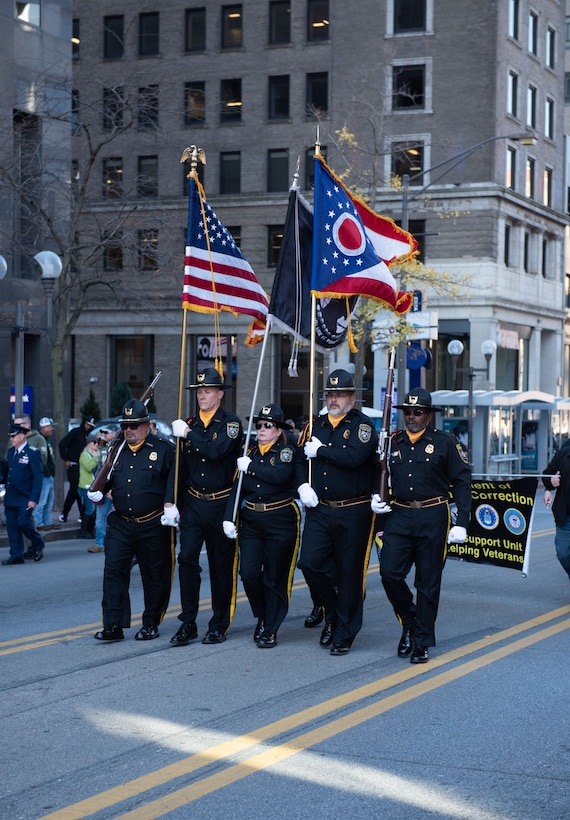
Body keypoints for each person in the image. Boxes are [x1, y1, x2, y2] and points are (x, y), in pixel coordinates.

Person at [374, 387, 472, 665]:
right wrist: (376, 499)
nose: (412, 417)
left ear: (429, 415)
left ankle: (422, 641)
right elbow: (378, 474)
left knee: (427, 583)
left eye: (418, 412)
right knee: (389, 573)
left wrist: (461, 522)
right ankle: (411, 620)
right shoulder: (392, 442)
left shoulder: (445, 442)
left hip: (433, 515)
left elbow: (463, 482)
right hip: (400, 514)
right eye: (408, 412)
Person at [296, 369, 378, 656]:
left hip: (353, 510)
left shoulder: (362, 426)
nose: (334, 399)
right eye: (330, 394)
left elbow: (355, 457)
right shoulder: (314, 425)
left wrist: (323, 451)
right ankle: (331, 612)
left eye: (340, 394)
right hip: (320, 509)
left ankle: (345, 632)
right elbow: (298, 461)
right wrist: (302, 485)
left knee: (349, 574)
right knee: (309, 563)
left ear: (352, 398)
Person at [89, 399, 178, 642]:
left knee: (155, 575)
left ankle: (151, 622)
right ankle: (113, 625)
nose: (129, 429)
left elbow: (175, 481)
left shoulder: (164, 449)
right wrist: (98, 489)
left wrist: (171, 505)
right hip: (121, 522)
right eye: (126, 425)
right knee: (113, 572)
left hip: (153, 523)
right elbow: (107, 479)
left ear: (147, 425)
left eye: (135, 425)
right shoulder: (116, 450)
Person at [170, 368, 243, 646]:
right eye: (199, 391)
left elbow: (215, 452)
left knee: (220, 566)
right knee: (186, 559)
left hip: (221, 504)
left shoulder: (230, 424)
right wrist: (171, 502)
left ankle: (218, 623)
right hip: (193, 503)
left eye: (207, 391)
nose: (202, 395)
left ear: (220, 394)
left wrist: (188, 434)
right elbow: (179, 468)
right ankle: (188, 621)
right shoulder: (189, 423)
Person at [223, 404, 300, 648]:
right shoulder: (251, 454)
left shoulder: (285, 452)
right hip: (252, 521)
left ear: (279, 431)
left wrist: (251, 468)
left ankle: (271, 626)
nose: (262, 429)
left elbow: (280, 476)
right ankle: (263, 615)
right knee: (249, 573)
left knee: (274, 577)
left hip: (279, 520)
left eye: (268, 425)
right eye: (259, 425)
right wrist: (229, 517)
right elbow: (237, 490)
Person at [2, 422, 45, 564]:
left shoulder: (33, 452)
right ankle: (16, 555)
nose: (12, 439)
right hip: (11, 496)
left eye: (14, 436)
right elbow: (9, 473)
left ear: (21, 436)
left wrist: (34, 498)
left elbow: (38, 478)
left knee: (23, 523)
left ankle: (38, 542)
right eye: (11, 436)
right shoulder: (10, 452)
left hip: (25, 496)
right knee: (12, 526)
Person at [58, 416, 96, 523]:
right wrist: (66, 459)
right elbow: (62, 444)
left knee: (79, 490)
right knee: (75, 488)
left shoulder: (87, 436)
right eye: (87, 424)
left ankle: (81, 514)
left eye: (91, 426)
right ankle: (65, 513)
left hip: (83, 466)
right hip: (73, 464)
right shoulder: (75, 432)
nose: (88, 427)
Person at [542, 447, 570, 582]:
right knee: (563, 553)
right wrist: (550, 483)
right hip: (566, 515)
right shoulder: (564, 452)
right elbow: (548, 474)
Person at [88, 428, 116, 554]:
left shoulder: (119, 446)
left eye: (107, 433)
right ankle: (100, 543)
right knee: (100, 517)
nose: (104, 435)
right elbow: (97, 469)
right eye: (103, 433)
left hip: (116, 489)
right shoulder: (100, 450)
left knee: (124, 518)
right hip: (103, 489)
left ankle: (122, 544)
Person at [35, 417, 58, 530]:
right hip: (45, 475)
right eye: (50, 427)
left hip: (48, 475)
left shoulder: (46, 439)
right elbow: (42, 459)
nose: (52, 429)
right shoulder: (40, 439)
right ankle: (39, 523)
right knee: (42, 501)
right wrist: (47, 471)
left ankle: (47, 522)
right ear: (44, 427)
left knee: (49, 501)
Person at [78, 434, 99, 539]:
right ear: (89, 444)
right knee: (90, 509)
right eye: (94, 442)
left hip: (93, 485)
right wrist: (95, 458)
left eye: (97, 442)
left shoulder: (93, 454)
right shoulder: (85, 455)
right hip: (85, 486)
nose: (96, 444)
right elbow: (89, 467)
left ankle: (90, 530)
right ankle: (84, 531)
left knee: (93, 509)